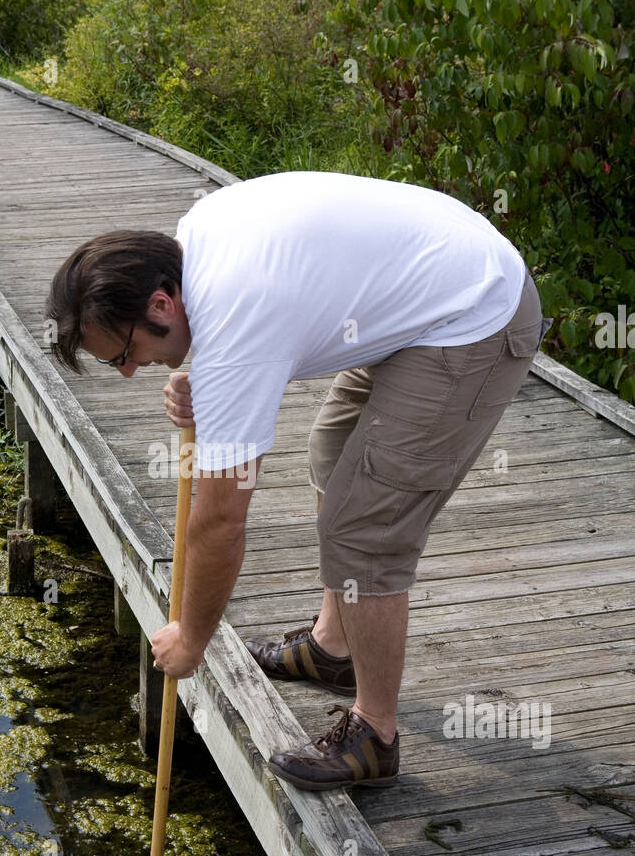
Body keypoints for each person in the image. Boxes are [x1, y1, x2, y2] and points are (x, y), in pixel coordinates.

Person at [43, 171, 553, 792]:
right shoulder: (194, 246)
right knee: (332, 455)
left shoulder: (234, 314)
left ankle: (375, 735)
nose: (128, 374)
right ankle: (332, 648)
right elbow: (240, 332)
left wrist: (191, 638)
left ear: (160, 303)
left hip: (473, 315)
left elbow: (221, 519)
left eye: (123, 354)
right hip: (423, 284)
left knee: (364, 533)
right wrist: (201, 370)